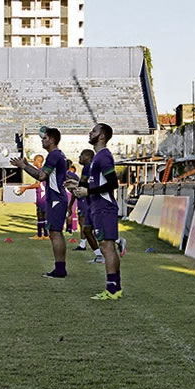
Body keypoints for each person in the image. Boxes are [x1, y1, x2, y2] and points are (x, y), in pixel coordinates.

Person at [69, 123, 127, 300]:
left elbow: (112, 183)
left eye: (94, 131)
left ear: (102, 136)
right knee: (106, 247)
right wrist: (76, 187)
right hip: (97, 207)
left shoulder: (104, 157)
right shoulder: (96, 158)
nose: (90, 132)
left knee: (107, 247)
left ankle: (112, 289)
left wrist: (88, 191)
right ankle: (115, 288)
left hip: (104, 207)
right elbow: (93, 184)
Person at [11, 127, 68, 278]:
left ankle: (60, 269)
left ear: (52, 139)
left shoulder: (53, 155)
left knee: (55, 233)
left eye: (44, 138)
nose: (42, 141)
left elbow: (42, 176)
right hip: (57, 197)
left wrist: (24, 167)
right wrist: (27, 165)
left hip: (56, 198)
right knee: (56, 233)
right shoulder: (58, 155)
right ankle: (60, 267)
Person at [71, 149, 105, 263]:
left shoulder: (87, 167)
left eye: (81, 155)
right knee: (87, 229)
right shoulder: (93, 167)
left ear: (87, 156)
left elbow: (82, 184)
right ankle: (99, 255)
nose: (79, 157)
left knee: (91, 229)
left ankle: (117, 242)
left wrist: (74, 186)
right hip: (93, 202)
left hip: (94, 203)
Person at [16, 154, 49, 240]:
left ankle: (40, 234)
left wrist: (25, 188)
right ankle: (45, 234)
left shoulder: (40, 172)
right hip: (45, 197)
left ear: (38, 161)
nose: (33, 162)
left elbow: (37, 184)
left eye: (34, 160)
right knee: (44, 216)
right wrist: (27, 165)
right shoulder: (42, 171)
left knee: (40, 216)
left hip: (42, 197)